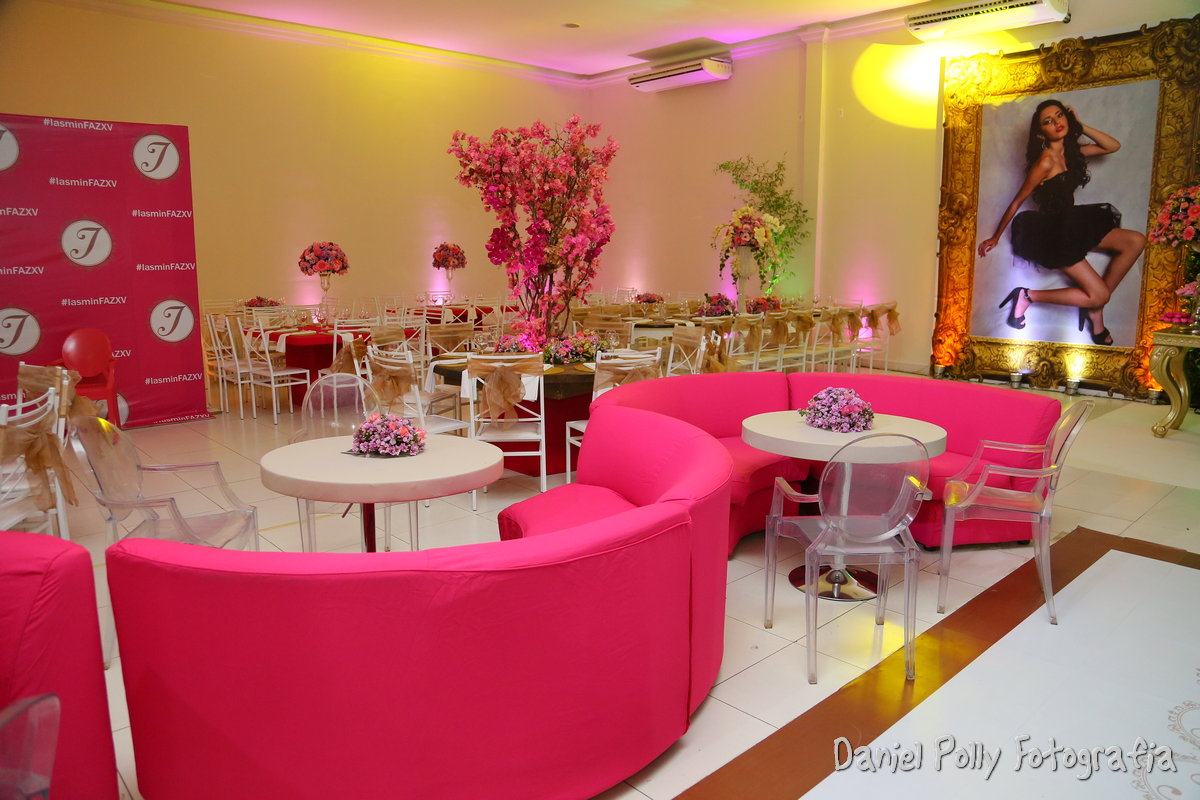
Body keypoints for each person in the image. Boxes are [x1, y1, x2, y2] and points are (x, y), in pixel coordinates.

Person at [978, 99, 1145, 345]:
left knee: (1136, 241)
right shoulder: (1045, 161)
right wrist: (995, 237)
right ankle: (1028, 295)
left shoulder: (1073, 152)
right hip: (1052, 231)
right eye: (1048, 121)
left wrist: (1080, 125)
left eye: (1059, 115)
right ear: (1040, 133)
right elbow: (1017, 201)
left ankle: (1096, 306)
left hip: (1073, 221)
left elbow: (1113, 146)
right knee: (1099, 294)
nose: (1057, 122)